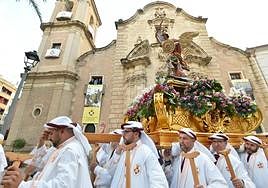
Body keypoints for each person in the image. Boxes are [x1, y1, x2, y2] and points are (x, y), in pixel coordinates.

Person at [1, 116, 93, 188]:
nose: (49, 138)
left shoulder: (70, 150)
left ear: (61, 131)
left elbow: (63, 185)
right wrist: (41, 142)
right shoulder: (63, 148)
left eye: (51, 133)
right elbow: (40, 164)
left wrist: (22, 185)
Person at [110, 121, 169, 188]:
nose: (123, 135)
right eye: (123, 132)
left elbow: (158, 180)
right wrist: (117, 154)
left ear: (136, 134)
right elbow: (111, 173)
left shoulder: (145, 152)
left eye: (126, 132)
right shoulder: (124, 152)